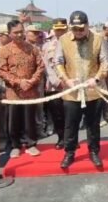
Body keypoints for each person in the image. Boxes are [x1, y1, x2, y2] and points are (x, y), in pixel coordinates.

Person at [55, 11, 108, 168]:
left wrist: (97, 78)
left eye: (81, 29)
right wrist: (66, 80)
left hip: (93, 91)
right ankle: (69, 153)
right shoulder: (63, 40)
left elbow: (105, 62)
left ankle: (94, 152)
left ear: (87, 26)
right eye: (74, 29)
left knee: (93, 124)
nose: (78, 32)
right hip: (72, 91)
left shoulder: (98, 39)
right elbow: (58, 62)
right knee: (70, 124)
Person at [0, 20, 45, 158]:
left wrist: (31, 81)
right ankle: (15, 145)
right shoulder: (4, 50)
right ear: (9, 33)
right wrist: (19, 82)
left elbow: (41, 67)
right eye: (15, 32)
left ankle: (31, 144)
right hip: (14, 92)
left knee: (30, 118)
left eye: (21, 31)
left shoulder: (32, 48)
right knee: (14, 119)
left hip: (30, 90)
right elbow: (2, 71)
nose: (19, 35)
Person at [42, 18, 67, 150]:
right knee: (57, 115)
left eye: (62, 29)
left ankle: (71, 139)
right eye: (57, 29)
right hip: (54, 86)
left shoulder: (73, 44)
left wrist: (67, 80)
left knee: (70, 114)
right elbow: (46, 66)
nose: (60, 31)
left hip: (69, 84)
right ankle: (61, 138)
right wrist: (56, 81)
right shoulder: (47, 46)